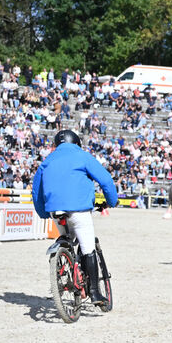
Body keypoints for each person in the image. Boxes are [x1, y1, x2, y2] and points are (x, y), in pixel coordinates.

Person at [31, 129, 118, 305]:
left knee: (66, 237)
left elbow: (36, 192)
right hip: (78, 210)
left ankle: (62, 271)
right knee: (88, 248)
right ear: (76, 142)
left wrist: (42, 213)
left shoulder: (47, 161)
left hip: (55, 211)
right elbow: (106, 181)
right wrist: (112, 201)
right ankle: (94, 292)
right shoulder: (83, 156)